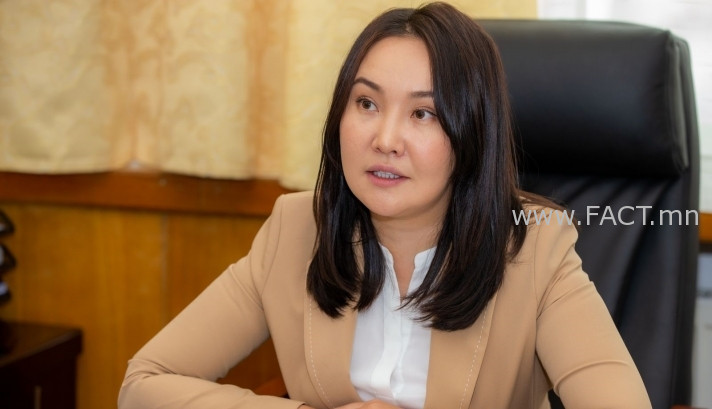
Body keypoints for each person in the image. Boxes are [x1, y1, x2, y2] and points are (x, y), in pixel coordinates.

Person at [118, 3, 652, 408]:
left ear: (472, 135)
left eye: (423, 114)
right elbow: (146, 382)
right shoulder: (296, 229)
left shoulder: (534, 245)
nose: (386, 139)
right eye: (367, 103)